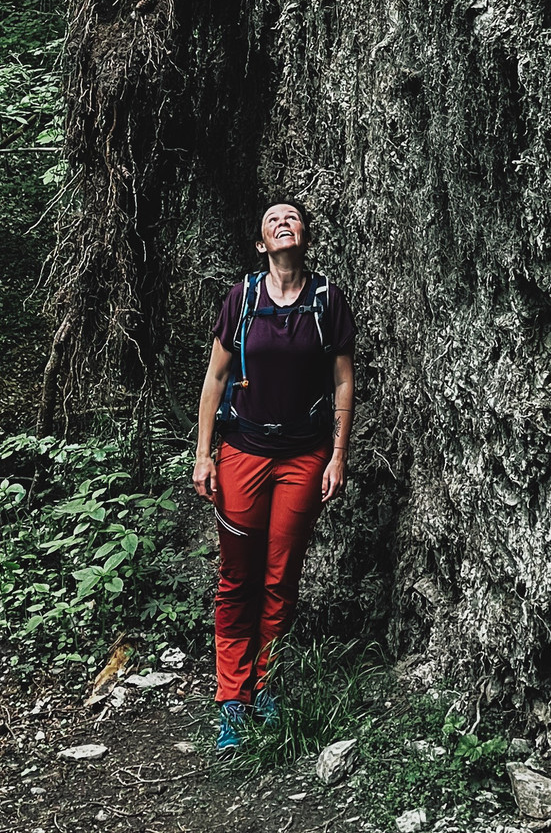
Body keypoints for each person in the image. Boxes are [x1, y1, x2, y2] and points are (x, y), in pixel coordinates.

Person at [193, 200, 356, 751]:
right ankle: (231, 699)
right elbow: (215, 378)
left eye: (292, 217)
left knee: (281, 576)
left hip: (303, 458)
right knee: (238, 575)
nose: (284, 222)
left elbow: (341, 383)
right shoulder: (241, 300)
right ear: (262, 243)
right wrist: (204, 453)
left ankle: (266, 687)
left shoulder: (327, 300)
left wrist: (337, 455)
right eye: (271, 219)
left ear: (304, 235)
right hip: (243, 452)